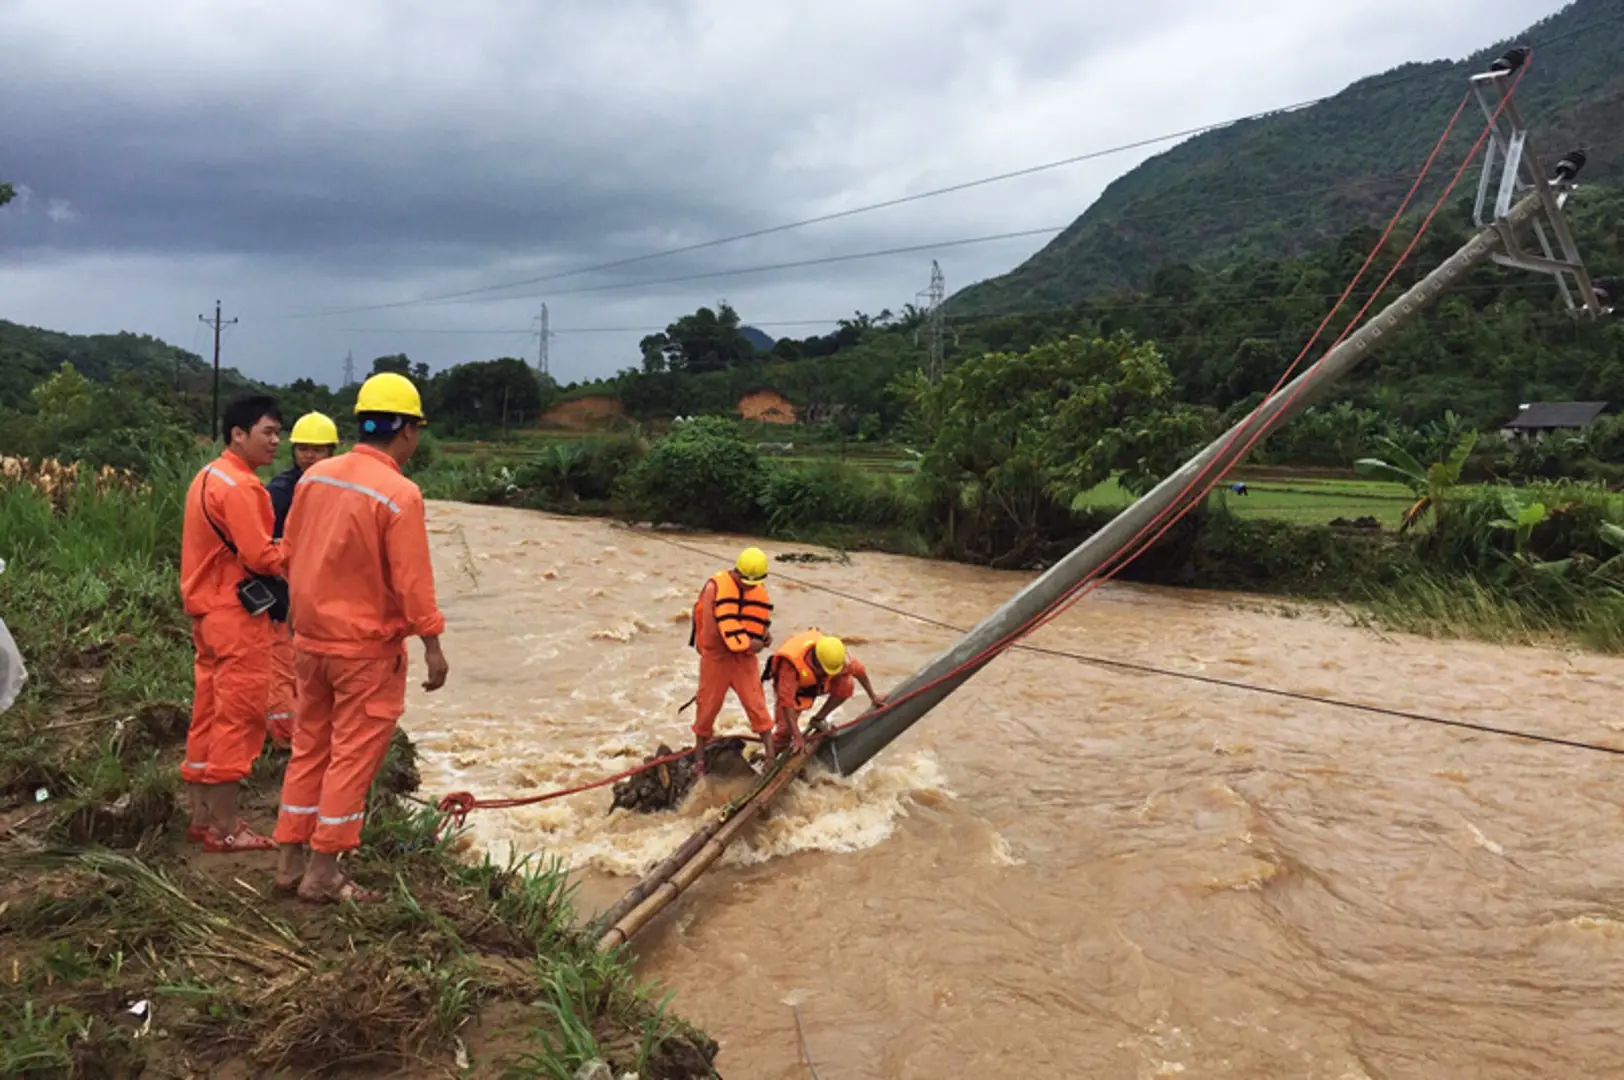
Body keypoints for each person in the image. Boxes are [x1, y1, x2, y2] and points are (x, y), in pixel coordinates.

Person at [273, 372, 448, 904]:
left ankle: (288, 863)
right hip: (365, 652)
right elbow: (412, 580)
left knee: (309, 747)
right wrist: (433, 644)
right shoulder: (400, 494)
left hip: (309, 642)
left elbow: (289, 553)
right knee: (351, 754)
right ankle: (324, 872)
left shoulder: (316, 478)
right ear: (407, 432)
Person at [180, 394, 286, 852]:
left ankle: (202, 817)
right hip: (237, 618)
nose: (276, 441)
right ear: (238, 434)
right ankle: (226, 828)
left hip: (207, 613)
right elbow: (260, 556)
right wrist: (296, 546)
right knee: (238, 719)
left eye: (279, 433)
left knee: (207, 712)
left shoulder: (208, 476)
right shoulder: (243, 487)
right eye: (268, 432)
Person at [263, 412, 340, 750]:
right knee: (284, 661)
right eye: (303, 449)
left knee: (316, 664)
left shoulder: (340, 488)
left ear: (331, 452)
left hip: (324, 592)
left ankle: (313, 729)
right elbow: (266, 541)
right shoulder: (281, 490)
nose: (308, 455)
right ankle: (286, 737)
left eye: (317, 449)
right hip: (285, 589)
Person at [689, 547, 774, 772]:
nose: (748, 585)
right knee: (707, 707)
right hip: (717, 658)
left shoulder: (757, 588)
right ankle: (699, 760)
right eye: (745, 581)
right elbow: (715, 629)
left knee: (757, 705)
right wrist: (748, 643)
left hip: (743, 659)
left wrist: (763, 637)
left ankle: (771, 757)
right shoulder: (714, 588)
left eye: (752, 583)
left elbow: (758, 620)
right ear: (737, 572)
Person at [764, 630, 884, 754]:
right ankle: (769, 756)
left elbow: (860, 672)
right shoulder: (790, 666)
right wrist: (797, 736)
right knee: (785, 731)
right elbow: (786, 702)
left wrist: (873, 696)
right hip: (795, 688)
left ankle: (818, 719)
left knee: (846, 685)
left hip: (818, 684)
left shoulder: (837, 657)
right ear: (817, 662)